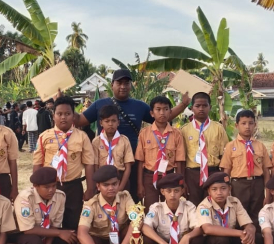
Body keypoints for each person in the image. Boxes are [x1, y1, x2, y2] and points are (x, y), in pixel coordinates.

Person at [76, 69, 190, 201]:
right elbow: (79, 120)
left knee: (131, 199)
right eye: (119, 83)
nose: (123, 86)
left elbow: (162, 117)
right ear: (112, 84)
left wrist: (183, 104)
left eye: (127, 83)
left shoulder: (139, 106)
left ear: (131, 85)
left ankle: (132, 222)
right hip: (105, 162)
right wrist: (62, 102)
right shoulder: (99, 104)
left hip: (132, 161)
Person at [33, 95, 95, 232]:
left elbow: (89, 163)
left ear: (74, 116)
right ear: (53, 115)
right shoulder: (44, 136)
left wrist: (90, 188)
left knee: (72, 220)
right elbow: (38, 162)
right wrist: (35, 186)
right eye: (59, 114)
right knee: (48, 218)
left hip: (73, 186)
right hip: (49, 186)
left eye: (67, 114)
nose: (63, 117)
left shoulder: (82, 137)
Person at [10, 166, 81, 244]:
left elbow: (55, 225)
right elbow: (28, 230)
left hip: (45, 232)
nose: (51, 190)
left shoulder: (60, 196)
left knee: (71, 236)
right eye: (46, 187)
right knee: (34, 243)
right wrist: (59, 233)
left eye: (54, 186)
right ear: (36, 187)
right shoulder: (26, 197)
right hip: (21, 235)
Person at [194, 171, 257, 244]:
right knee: (221, 240)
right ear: (209, 191)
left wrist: (250, 232)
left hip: (230, 243)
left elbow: (248, 224)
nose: (219, 193)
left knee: (253, 236)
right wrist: (240, 233)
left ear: (229, 189)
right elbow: (207, 229)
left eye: (223, 188)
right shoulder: (204, 206)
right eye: (214, 189)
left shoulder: (235, 202)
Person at [77, 165, 137, 244]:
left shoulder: (125, 197)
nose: (111, 188)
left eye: (114, 184)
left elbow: (137, 220)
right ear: (98, 186)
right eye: (106, 185)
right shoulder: (90, 205)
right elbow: (81, 233)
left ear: (119, 183)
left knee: (136, 233)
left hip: (120, 242)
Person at [142, 173, 202, 244]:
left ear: (182, 191)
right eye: (168, 191)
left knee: (198, 238)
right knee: (147, 239)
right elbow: (145, 227)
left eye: (176, 191)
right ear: (162, 192)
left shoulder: (189, 206)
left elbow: (199, 227)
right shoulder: (156, 207)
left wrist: (187, 237)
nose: (172, 195)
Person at [219, 109, 271, 226]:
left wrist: (268, 195)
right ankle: (240, 242)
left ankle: (257, 241)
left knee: (257, 216)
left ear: (255, 125)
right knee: (238, 215)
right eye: (243, 123)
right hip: (238, 185)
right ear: (237, 125)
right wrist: (226, 191)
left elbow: (267, 172)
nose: (247, 126)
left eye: (250, 123)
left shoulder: (260, 146)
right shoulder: (230, 146)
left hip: (257, 184)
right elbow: (226, 172)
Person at [136, 96, 186, 209]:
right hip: (149, 177)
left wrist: (180, 182)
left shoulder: (176, 134)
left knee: (169, 207)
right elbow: (140, 161)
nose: (162, 112)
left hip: (169, 176)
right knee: (150, 208)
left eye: (166, 109)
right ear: (152, 113)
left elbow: (179, 161)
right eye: (158, 109)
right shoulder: (144, 133)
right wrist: (140, 184)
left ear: (170, 112)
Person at [180, 92, 229, 205]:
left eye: (204, 105)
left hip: (213, 172)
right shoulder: (184, 130)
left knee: (213, 204)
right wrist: (183, 181)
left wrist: (223, 178)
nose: (201, 109)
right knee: (193, 205)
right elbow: (182, 158)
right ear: (192, 108)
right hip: (192, 174)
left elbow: (224, 156)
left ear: (210, 107)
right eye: (197, 106)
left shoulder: (218, 128)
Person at [92, 104, 135, 193]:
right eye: (107, 121)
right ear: (101, 123)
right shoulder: (96, 142)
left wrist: (121, 187)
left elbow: (128, 167)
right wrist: (100, 184)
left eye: (113, 121)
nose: (110, 124)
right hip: (102, 179)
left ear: (118, 122)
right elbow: (95, 166)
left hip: (121, 178)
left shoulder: (124, 140)